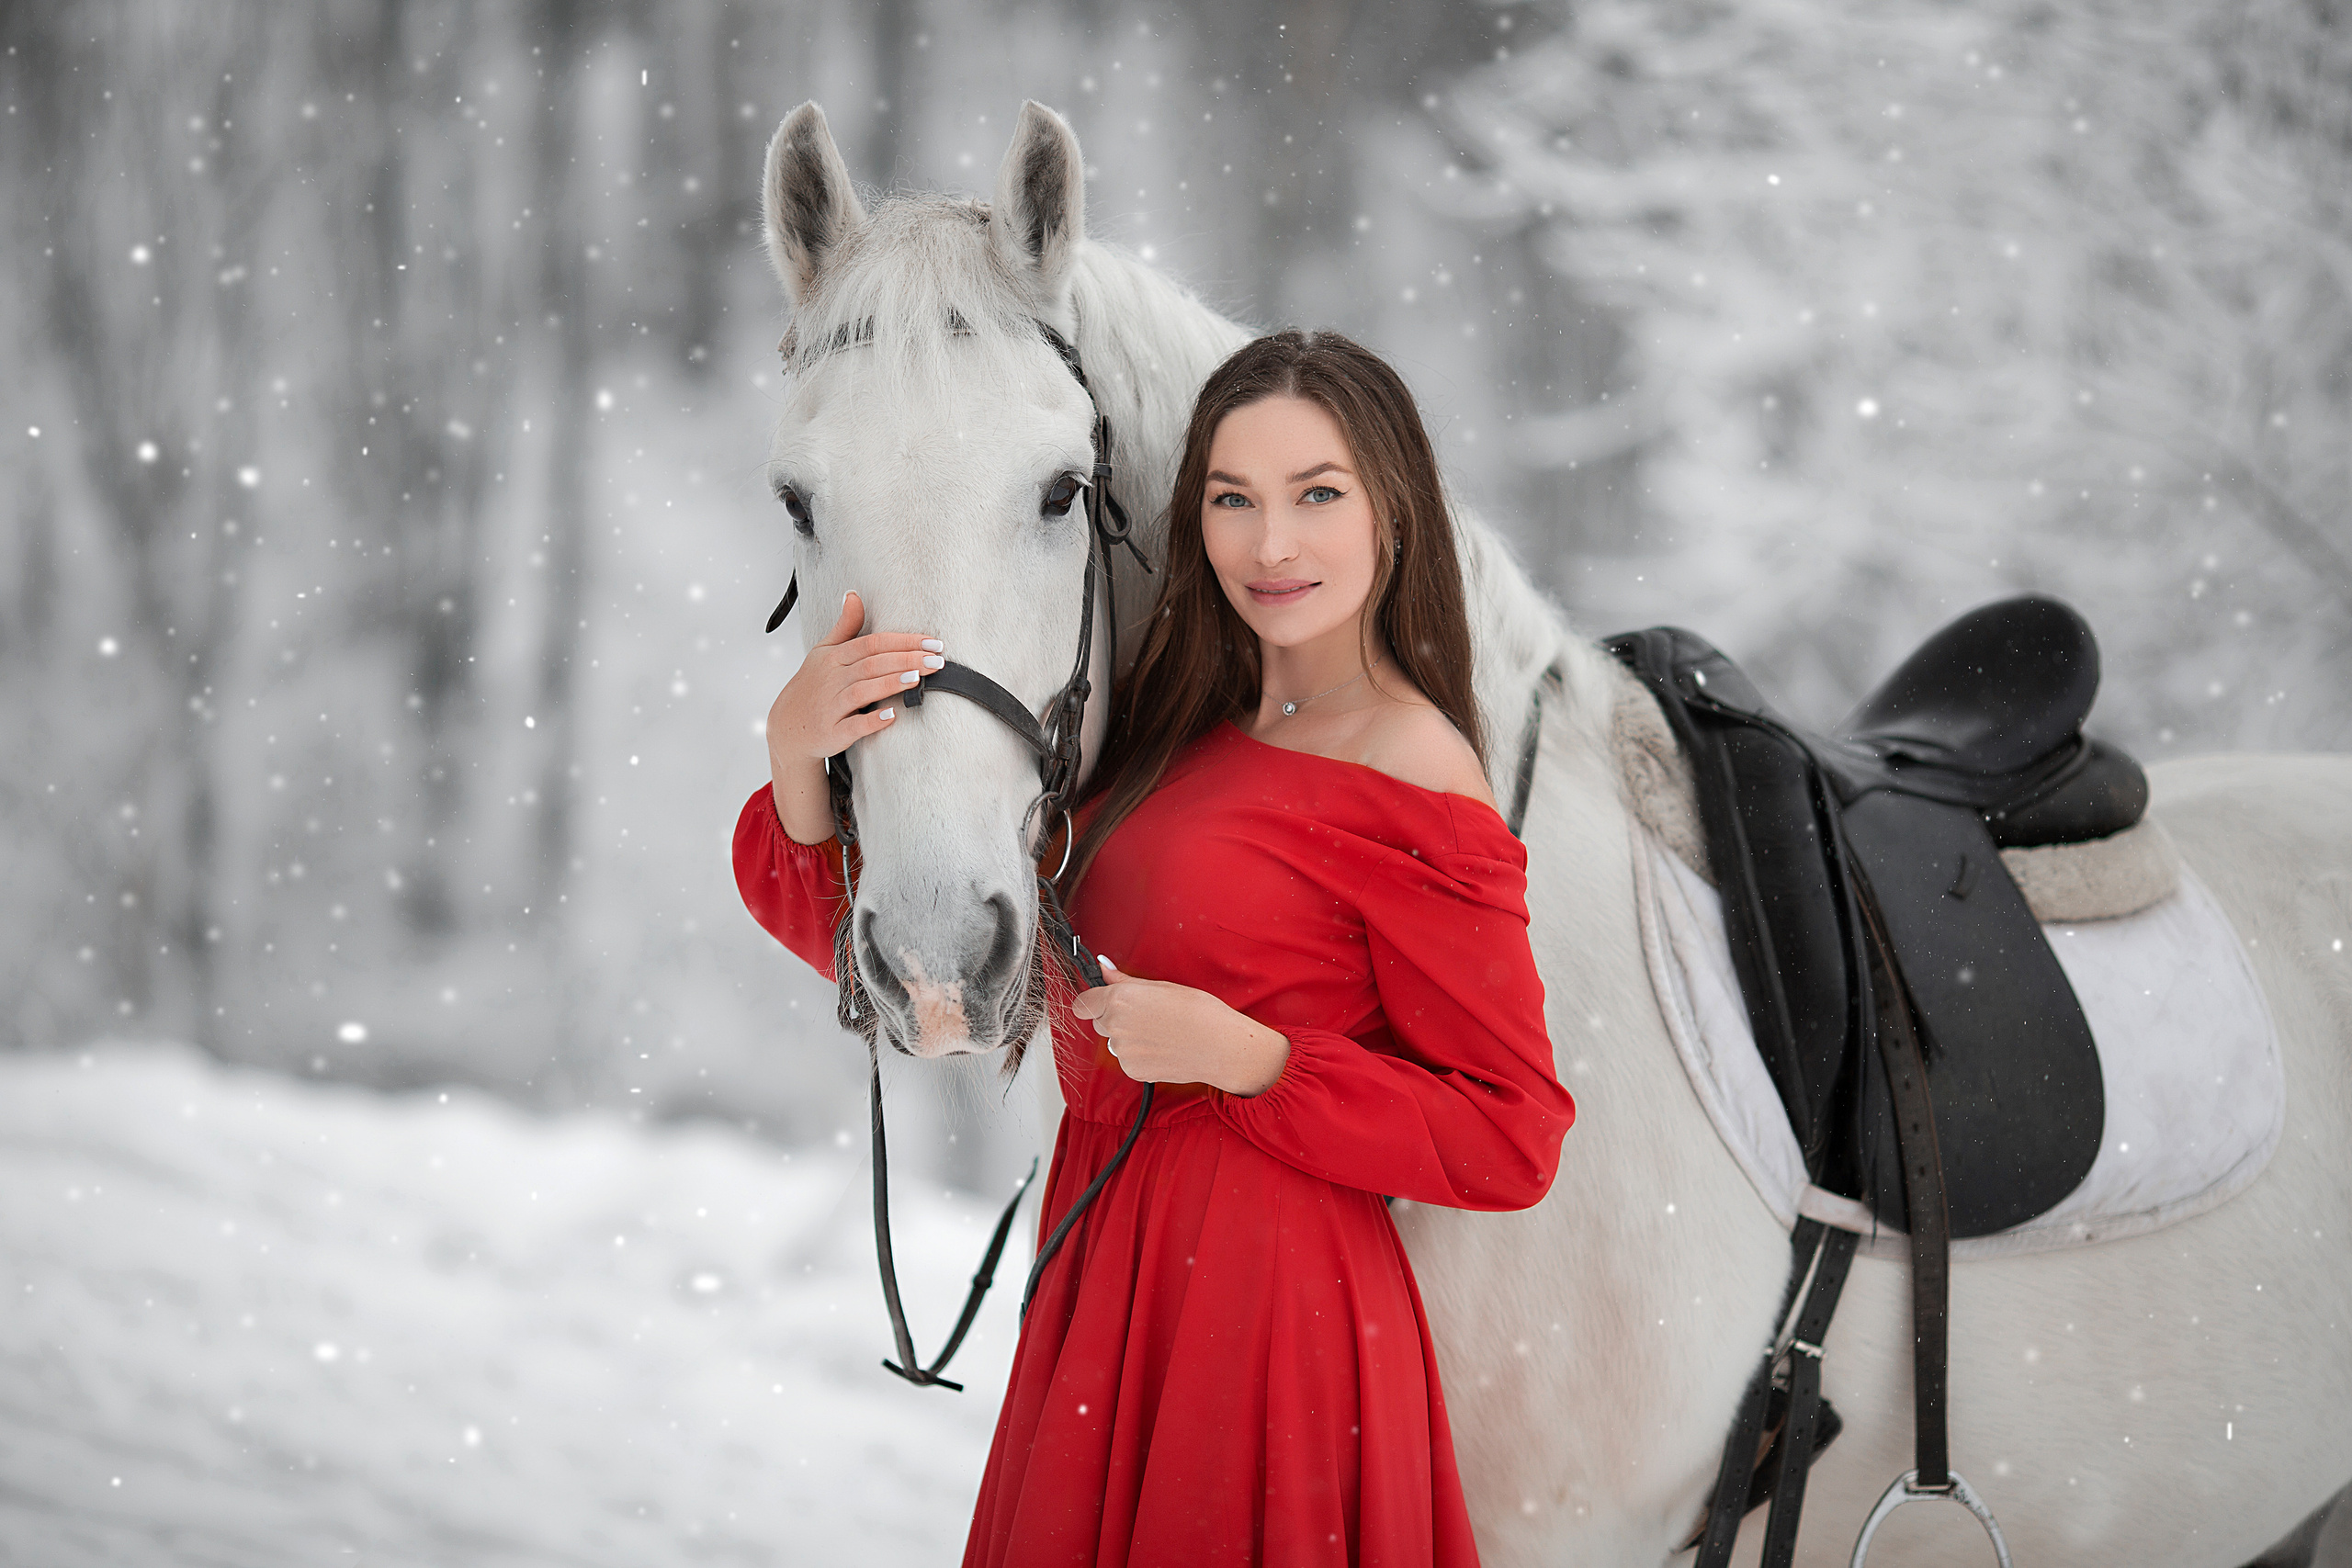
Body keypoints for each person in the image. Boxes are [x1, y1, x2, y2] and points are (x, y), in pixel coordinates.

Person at [734, 330, 1572, 1566]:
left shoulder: (1414, 767)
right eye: (1234, 500)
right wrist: (798, 745)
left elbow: (1512, 1133)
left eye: (1317, 496)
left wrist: (1259, 1061)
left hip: (1271, 1309)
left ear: (1391, 510)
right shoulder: (1174, 727)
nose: (1271, 544)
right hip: (1107, 1270)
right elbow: (927, 964)